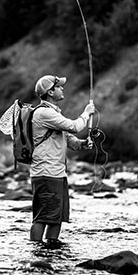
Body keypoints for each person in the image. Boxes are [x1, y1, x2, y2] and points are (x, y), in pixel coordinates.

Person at [29, 74, 95, 245]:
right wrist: (86, 113)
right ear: (50, 92)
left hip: (56, 173)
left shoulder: (53, 113)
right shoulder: (44, 113)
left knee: (56, 217)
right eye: (59, 87)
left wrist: (81, 144)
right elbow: (74, 126)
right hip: (46, 173)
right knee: (42, 217)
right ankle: (36, 251)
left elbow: (69, 139)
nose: (62, 89)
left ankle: (51, 249)